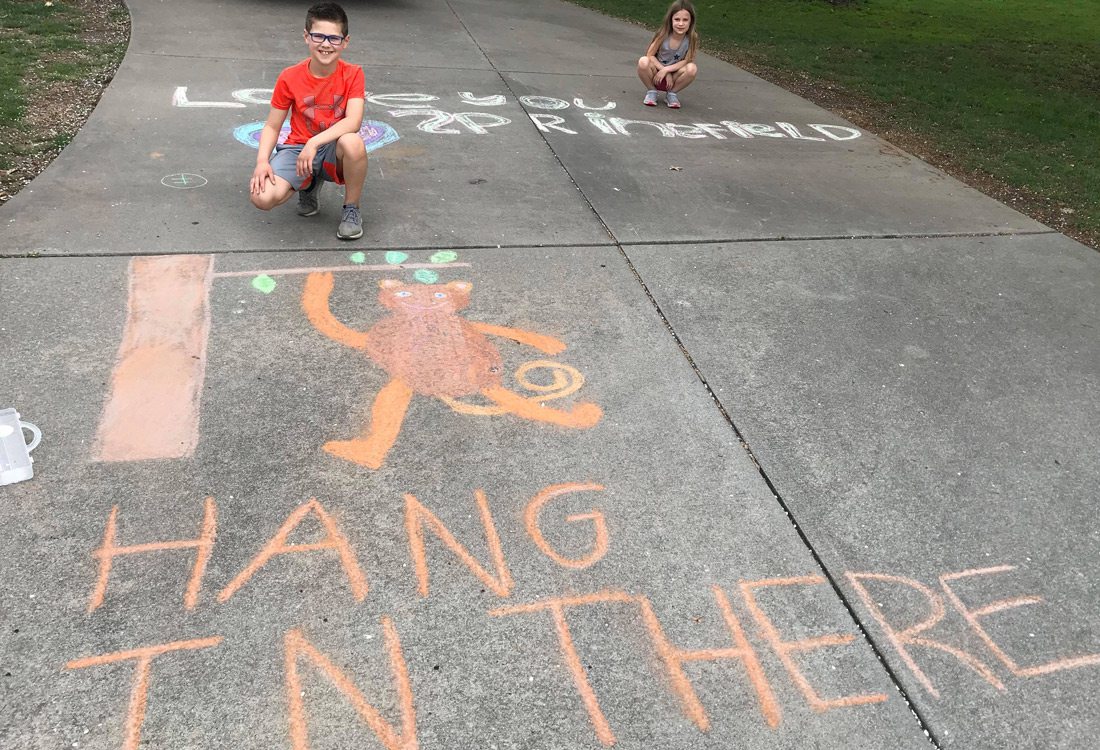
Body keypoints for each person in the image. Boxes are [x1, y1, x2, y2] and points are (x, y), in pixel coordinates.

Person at [249, 2, 367, 240]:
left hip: (332, 149)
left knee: (353, 142)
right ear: (306, 37)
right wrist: (262, 161)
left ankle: (351, 209)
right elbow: (272, 126)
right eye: (318, 36)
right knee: (262, 198)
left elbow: (353, 121)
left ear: (345, 41)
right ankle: (307, 184)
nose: (326, 44)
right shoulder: (289, 76)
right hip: (297, 149)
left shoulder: (353, 73)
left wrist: (313, 143)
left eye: (334, 38)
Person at [637, 0, 699, 109]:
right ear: (670, 20)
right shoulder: (663, 35)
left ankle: (672, 94)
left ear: (691, 21)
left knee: (692, 68)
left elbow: (688, 59)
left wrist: (668, 70)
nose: (681, 23)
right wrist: (663, 70)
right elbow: (650, 55)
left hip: (675, 76)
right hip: (656, 73)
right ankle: (652, 91)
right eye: (677, 19)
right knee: (643, 61)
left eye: (685, 20)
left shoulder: (692, 38)